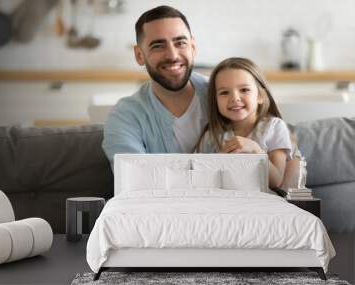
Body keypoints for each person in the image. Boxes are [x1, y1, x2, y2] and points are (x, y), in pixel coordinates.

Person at [102, 6, 208, 168]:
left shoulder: (226, 95)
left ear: (192, 47)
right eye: (158, 46)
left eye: (180, 43)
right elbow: (135, 182)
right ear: (139, 55)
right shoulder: (125, 116)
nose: (172, 55)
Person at [194, 57, 292, 188]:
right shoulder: (212, 135)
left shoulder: (274, 127)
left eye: (244, 90)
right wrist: (220, 160)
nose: (234, 98)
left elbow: (276, 181)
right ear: (215, 101)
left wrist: (256, 151)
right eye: (224, 92)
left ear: (260, 96)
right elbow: (198, 179)